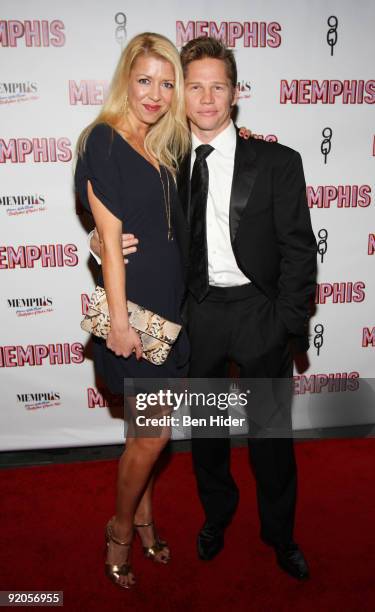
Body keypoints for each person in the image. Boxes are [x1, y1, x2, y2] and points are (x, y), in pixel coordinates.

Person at [90, 36, 317, 581]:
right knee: (211, 434)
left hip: (259, 313)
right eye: (195, 86)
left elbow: (298, 249)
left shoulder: (279, 162)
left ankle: (280, 534)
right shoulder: (164, 162)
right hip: (198, 315)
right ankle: (217, 518)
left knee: (270, 436)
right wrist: (99, 245)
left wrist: (286, 323)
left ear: (236, 94)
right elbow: (124, 221)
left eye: (219, 86)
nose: (208, 98)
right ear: (181, 94)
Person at [74, 32, 190, 589]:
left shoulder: (163, 146)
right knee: (154, 436)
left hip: (171, 309)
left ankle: (144, 515)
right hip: (136, 316)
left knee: (141, 435)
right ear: (126, 78)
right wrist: (119, 323)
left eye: (167, 83)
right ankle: (120, 530)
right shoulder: (104, 140)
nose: (155, 93)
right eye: (145, 80)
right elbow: (112, 243)